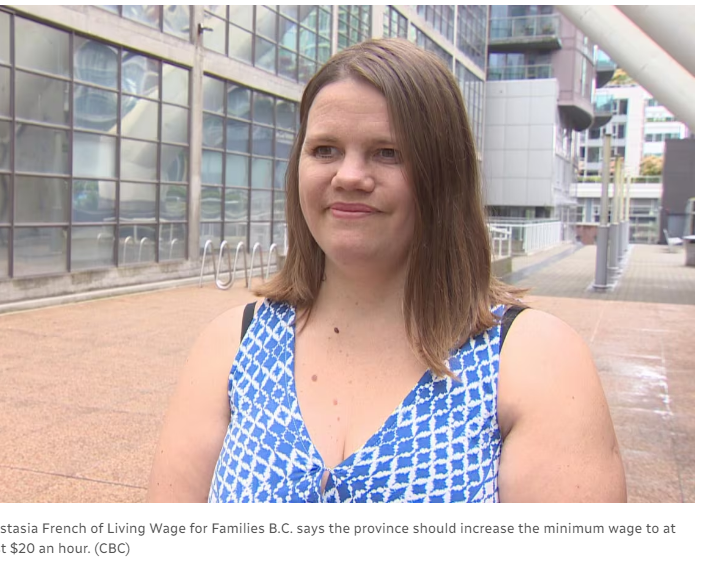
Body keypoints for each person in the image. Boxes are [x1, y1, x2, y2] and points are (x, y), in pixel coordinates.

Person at [148, 39, 626, 503]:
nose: (349, 176)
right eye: (325, 150)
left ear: (445, 175)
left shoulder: (533, 362)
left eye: (387, 152)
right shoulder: (232, 345)